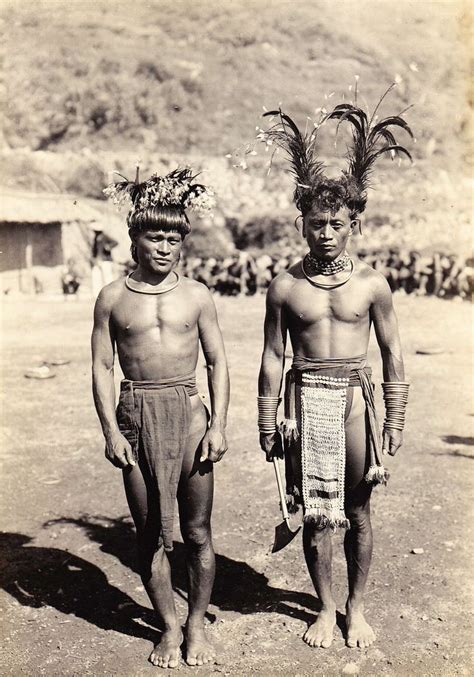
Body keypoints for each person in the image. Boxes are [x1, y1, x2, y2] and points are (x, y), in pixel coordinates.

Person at [257, 88, 412, 650]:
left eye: (336, 222)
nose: (326, 231)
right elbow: (274, 355)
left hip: (355, 404)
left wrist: (394, 419)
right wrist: (266, 418)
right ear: (301, 223)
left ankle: (357, 607)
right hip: (305, 404)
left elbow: (393, 353)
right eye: (316, 221)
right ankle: (324, 608)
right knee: (317, 513)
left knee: (359, 508)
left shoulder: (372, 284)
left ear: (354, 225)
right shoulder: (285, 286)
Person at [92, 167, 229, 668]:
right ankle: (168, 627)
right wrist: (110, 431)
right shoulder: (111, 298)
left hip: (190, 412)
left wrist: (218, 425)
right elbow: (102, 366)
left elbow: (217, 361)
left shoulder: (196, 295)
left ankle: (196, 623)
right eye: (155, 236)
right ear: (135, 238)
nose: (165, 246)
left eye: (174, 237)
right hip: (135, 413)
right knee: (149, 533)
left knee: (197, 532)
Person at [91, 224, 118, 297]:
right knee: (97, 277)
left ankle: (110, 293)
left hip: (106, 260)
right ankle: (97, 295)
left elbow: (115, 242)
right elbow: (95, 251)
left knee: (108, 277)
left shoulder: (105, 237)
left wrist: (108, 247)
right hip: (98, 261)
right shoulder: (96, 238)